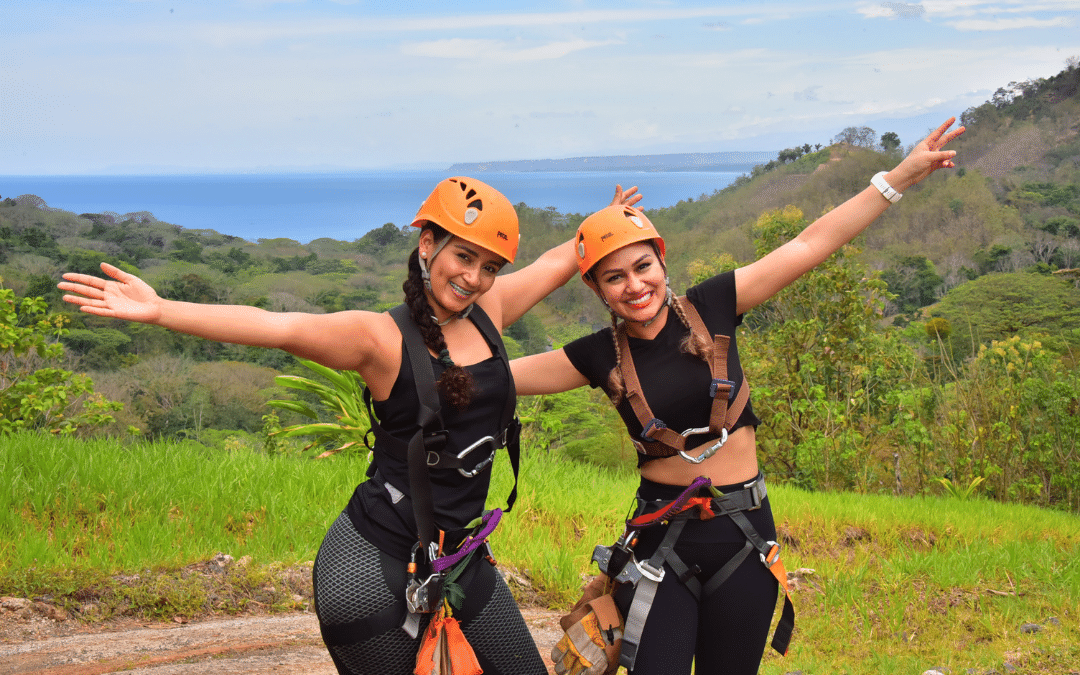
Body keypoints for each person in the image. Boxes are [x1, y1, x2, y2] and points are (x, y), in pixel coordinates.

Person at [58, 176, 641, 675]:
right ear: (427, 244)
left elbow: (555, 265)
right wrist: (161, 310)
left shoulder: (488, 313)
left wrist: (608, 223)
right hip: (370, 566)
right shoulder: (377, 338)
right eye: (464, 257)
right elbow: (276, 324)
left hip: (459, 554)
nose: (475, 278)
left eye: (490, 267)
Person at [511, 118, 965, 675]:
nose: (634, 286)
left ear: (662, 259)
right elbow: (491, 374)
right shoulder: (596, 354)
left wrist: (896, 179)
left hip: (744, 536)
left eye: (643, 266)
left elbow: (810, 244)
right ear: (595, 288)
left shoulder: (714, 305)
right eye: (613, 277)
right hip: (661, 542)